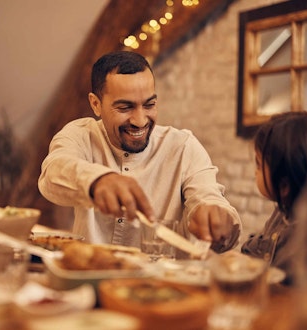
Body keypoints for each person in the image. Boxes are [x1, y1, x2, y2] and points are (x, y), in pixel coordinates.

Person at [38, 51, 241, 252]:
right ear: (96, 104)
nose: (140, 121)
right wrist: (98, 180)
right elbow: (52, 174)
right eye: (125, 107)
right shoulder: (80, 135)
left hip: (163, 283)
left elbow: (207, 196)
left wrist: (218, 221)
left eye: (149, 105)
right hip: (91, 277)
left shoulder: (183, 147)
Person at [241, 111, 307, 282]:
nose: (255, 171)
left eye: (259, 165)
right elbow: (258, 252)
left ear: (284, 186)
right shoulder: (282, 212)